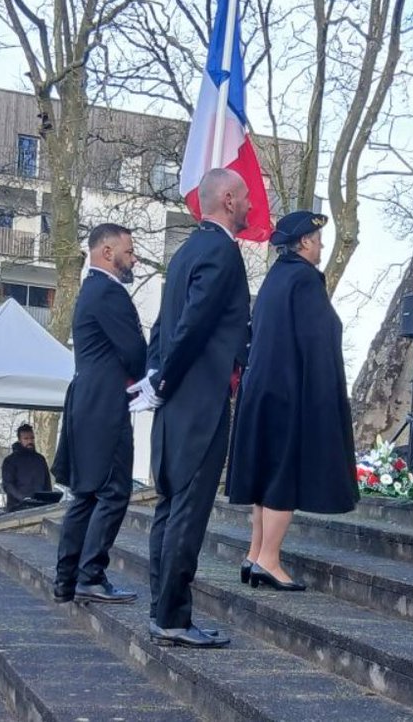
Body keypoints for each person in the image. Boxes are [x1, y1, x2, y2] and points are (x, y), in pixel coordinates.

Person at [132, 168, 251, 649]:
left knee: (169, 505)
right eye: (243, 198)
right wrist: (162, 377)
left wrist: (156, 377)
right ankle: (174, 618)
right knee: (188, 509)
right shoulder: (221, 252)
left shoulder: (184, 253)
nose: (249, 206)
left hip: (174, 401)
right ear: (226, 199)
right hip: (200, 399)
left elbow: (164, 327)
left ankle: (164, 609)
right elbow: (194, 326)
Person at [227, 210, 358, 592]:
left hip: (262, 390)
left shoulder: (275, 278)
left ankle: (255, 554)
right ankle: (269, 559)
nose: (321, 246)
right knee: (283, 474)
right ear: (303, 242)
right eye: (317, 241)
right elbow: (321, 336)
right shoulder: (304, 279)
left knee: (265, 473)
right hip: (289, 392)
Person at [53, 223, 145, 608]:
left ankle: (67, 579)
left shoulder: (90, 290)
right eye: (129, 251)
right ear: (107, 252)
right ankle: (90, 576)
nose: (134, 258)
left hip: (86, 400)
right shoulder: (109, 292)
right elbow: (137, 355)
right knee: (112, 491)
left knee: (87, 494)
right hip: (105, 404)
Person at [1, 423, 51, 509]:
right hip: (16, 508)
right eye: (26, 438)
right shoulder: (10, 460)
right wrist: (24, 498)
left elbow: (47, 485)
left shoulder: (40, 460)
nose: (30, 441)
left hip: (40, 507)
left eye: (32, 438)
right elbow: (8, 485)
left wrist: (49, 500)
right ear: (19, 440)